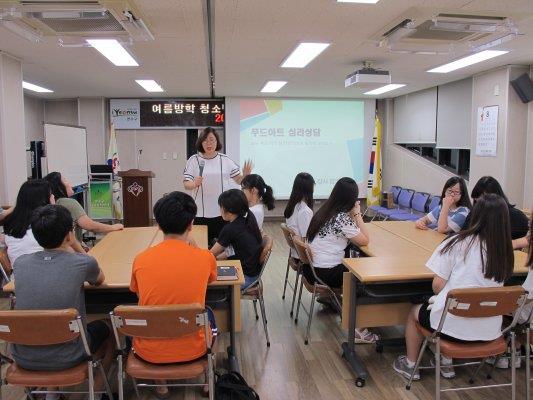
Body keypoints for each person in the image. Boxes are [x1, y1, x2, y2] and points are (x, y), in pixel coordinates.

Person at [393, 194, 514, 381]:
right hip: (489, 332)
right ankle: (445, 362)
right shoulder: (505, 252)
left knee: (416, 311)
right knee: (455, 306)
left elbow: (437, 286)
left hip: (450, 329)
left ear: (475, 215)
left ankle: (410, 365)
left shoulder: (457, 243)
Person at [130, 191, 217, 398]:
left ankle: (161, 385)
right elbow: (211, 280)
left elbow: (137, 292)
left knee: (151, 311)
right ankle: (207, 381)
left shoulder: (141, 259)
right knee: (210, 313)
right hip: (193, 349)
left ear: (158, 225)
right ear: (191, 225)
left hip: (147, 352)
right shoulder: (205, 257)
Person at [11, 204, 110, 374]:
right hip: (71, 354)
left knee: (47, 321)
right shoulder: (82, 263)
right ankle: (100, 390)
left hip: (24, 356)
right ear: (70, 234)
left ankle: (52, 392)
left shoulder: (20, 263)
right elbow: (99, 279)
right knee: (109, 328)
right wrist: (79, 249)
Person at [305, 177, 375, 342]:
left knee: (357, 259)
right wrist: (357, 214)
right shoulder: (341, 218)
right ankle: (358, 327)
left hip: (312, 269)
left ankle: (337, 302)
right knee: (367, 275)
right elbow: (365, 240)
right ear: (351, 199)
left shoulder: (325, 211)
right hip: (327, 273)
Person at [183, 127, 252, 244]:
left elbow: (238, 180)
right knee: (199, 245)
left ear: (217, 142)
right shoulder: (193, 160)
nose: (208, 143)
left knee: (222, 245)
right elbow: (186, 184)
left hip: (222, 212)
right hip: (200, 212)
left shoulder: (225, 160)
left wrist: (245, 176)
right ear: (201, 142)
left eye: (211, 140)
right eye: (205, 140)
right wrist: (194, 183)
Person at [3, 180, 84, 266]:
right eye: (50, 194)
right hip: (50, 274)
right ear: (43, 200)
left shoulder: (11, 225)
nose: (53, 196)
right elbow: (74, 257)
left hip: (18, 276)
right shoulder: (46, 226)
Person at [45, 172, 123, 243]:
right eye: (65, 180)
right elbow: (89, 225)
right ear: (59, 187)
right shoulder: (68, 203)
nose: (69, 183)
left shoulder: (54, 203)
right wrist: (113, 227)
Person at [210, 189, 263, 289]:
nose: (220, 210)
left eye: (220, 207)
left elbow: (210, 254)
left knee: (205, 280)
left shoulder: (230, 229)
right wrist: (217, 259)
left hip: (244, 278)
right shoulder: (247, 220)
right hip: (252, 274)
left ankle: (227, 303)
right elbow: (232, 251)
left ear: (229, 211)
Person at [466, 176, 529, 242]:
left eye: (483, 200)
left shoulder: (516, 217)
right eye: (476, 200)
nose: (479, 205)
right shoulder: (473, 214)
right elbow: (464, 235)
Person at [284, 172, 315, 258]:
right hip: (303, 256)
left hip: (295, 253)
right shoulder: (305, 211)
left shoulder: (293, 206)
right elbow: (306, 238)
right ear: (310, 189)